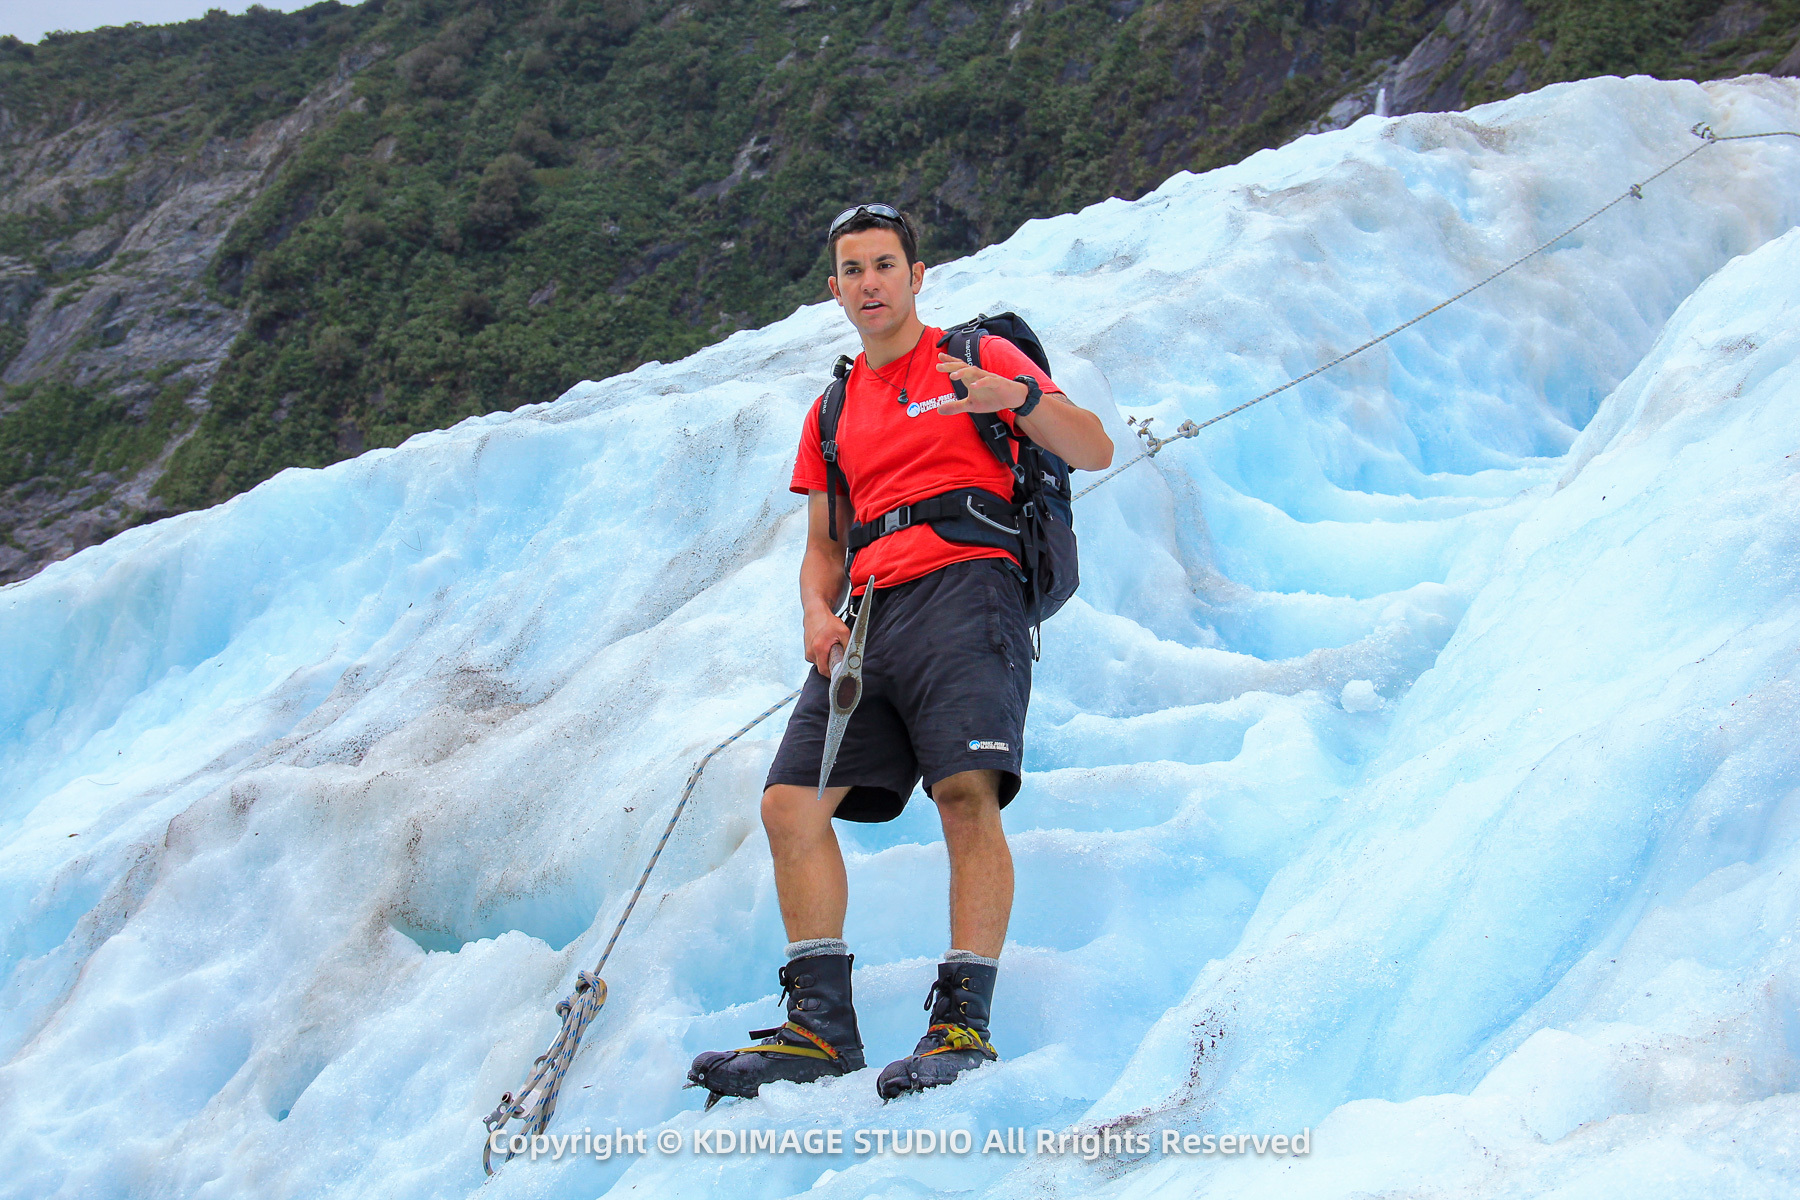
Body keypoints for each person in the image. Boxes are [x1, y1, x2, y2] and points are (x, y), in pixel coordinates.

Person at [686, 204, 1112, 1106]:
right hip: (869, 615)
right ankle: (820, 1030)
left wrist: (1021, 401)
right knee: (790, 804)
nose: (870, 282)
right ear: (833, 288)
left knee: (966, 793)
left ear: (918, 276)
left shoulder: (976, 357)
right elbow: (822, 544)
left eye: (885, 264)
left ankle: (962, 1022)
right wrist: (814, 613)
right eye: (853, 269)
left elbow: (1093, 445)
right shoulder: (834, 408)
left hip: (969, 590)